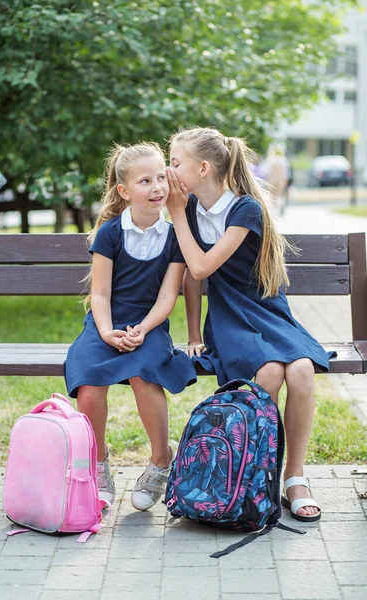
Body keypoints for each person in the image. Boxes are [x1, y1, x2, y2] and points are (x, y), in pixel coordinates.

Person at [166, 126, 334, 523]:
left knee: (302, 370)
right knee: (270, 371)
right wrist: (192, 334)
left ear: (203, 168)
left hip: (267, 310)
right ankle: (256, 476)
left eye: (175, 163)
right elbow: (193, 278)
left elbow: (203, 264)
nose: (169, 171)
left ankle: (294, 477)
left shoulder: (244, 209)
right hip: (228, 315)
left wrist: (174, 215)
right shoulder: (188, 210)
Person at [64, 142, 197, 511]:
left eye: (160, 178)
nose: (157, 187)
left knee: (144, 374)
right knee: (89, 382)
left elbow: (168, 297)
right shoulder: (110, 233)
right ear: (124, 191)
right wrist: (106, 332)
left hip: (150, 325)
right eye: (145, 181)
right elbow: (101, 294)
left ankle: (160, 460)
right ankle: (98, 461)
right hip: (105, 323)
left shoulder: (173, 238)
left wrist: (143, 328)